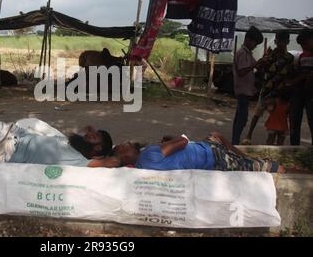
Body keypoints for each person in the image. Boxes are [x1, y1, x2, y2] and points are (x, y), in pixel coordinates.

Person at [112, 132, 284, 173]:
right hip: (213, 156)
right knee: (270, 167)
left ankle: (244, 157)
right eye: (122, 145)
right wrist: (175, 138)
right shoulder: (147, 154)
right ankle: (250, 160)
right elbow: (184, 141)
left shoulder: (142, 165)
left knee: (215, 135)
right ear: (124, 155)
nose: (126, 142)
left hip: (207, 152)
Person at [243, 30, 294, 144]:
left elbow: (290, 75)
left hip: (279, 92)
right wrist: (263, 62)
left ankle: (273, 141)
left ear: (287, 42)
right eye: (277, 41)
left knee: (277, 117)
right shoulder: (269, 55)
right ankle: (248, 135)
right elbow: (260, 69)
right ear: (275, 41)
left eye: (282, 41)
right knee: (257, 114)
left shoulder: (290, 58)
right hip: (266, 89)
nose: (279, 44)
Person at [231, 26, 264, 145]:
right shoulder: (242, 53)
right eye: (255, 43)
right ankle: (235, 142)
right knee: (242, 119)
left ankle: (234, 141)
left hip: (246, 90)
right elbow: (241, 71)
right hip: (242, 91)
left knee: (239, 116)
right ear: (249, 40)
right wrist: (253, 66)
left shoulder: (248, 54)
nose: (255, 46)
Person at [289, 29, 313, 145]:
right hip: (299, 92)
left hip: (311, 94)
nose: (304, 46)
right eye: (302, 45)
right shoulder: (301, 56)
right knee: (294, 121)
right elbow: (298, 73)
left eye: (305, 43)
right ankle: (294, 147)